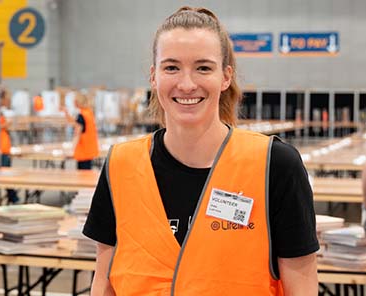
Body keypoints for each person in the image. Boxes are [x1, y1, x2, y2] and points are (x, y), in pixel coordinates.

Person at [82, 6, 319, 295]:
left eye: (203, 67)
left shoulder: (275, 165)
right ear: (154, 77)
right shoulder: (121, 164)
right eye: (171, 67)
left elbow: (303, 287)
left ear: (225, 77)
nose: (186, 84)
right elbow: (103, 283)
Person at [62, 92, 99, 170]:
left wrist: (71, 150)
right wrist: (66, 113)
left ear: (77, 102)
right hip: (89, 149)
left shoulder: (82, 115)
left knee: (83, 175)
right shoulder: (88, 112)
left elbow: (77, 134)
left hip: (83, 151)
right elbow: (75, 122)